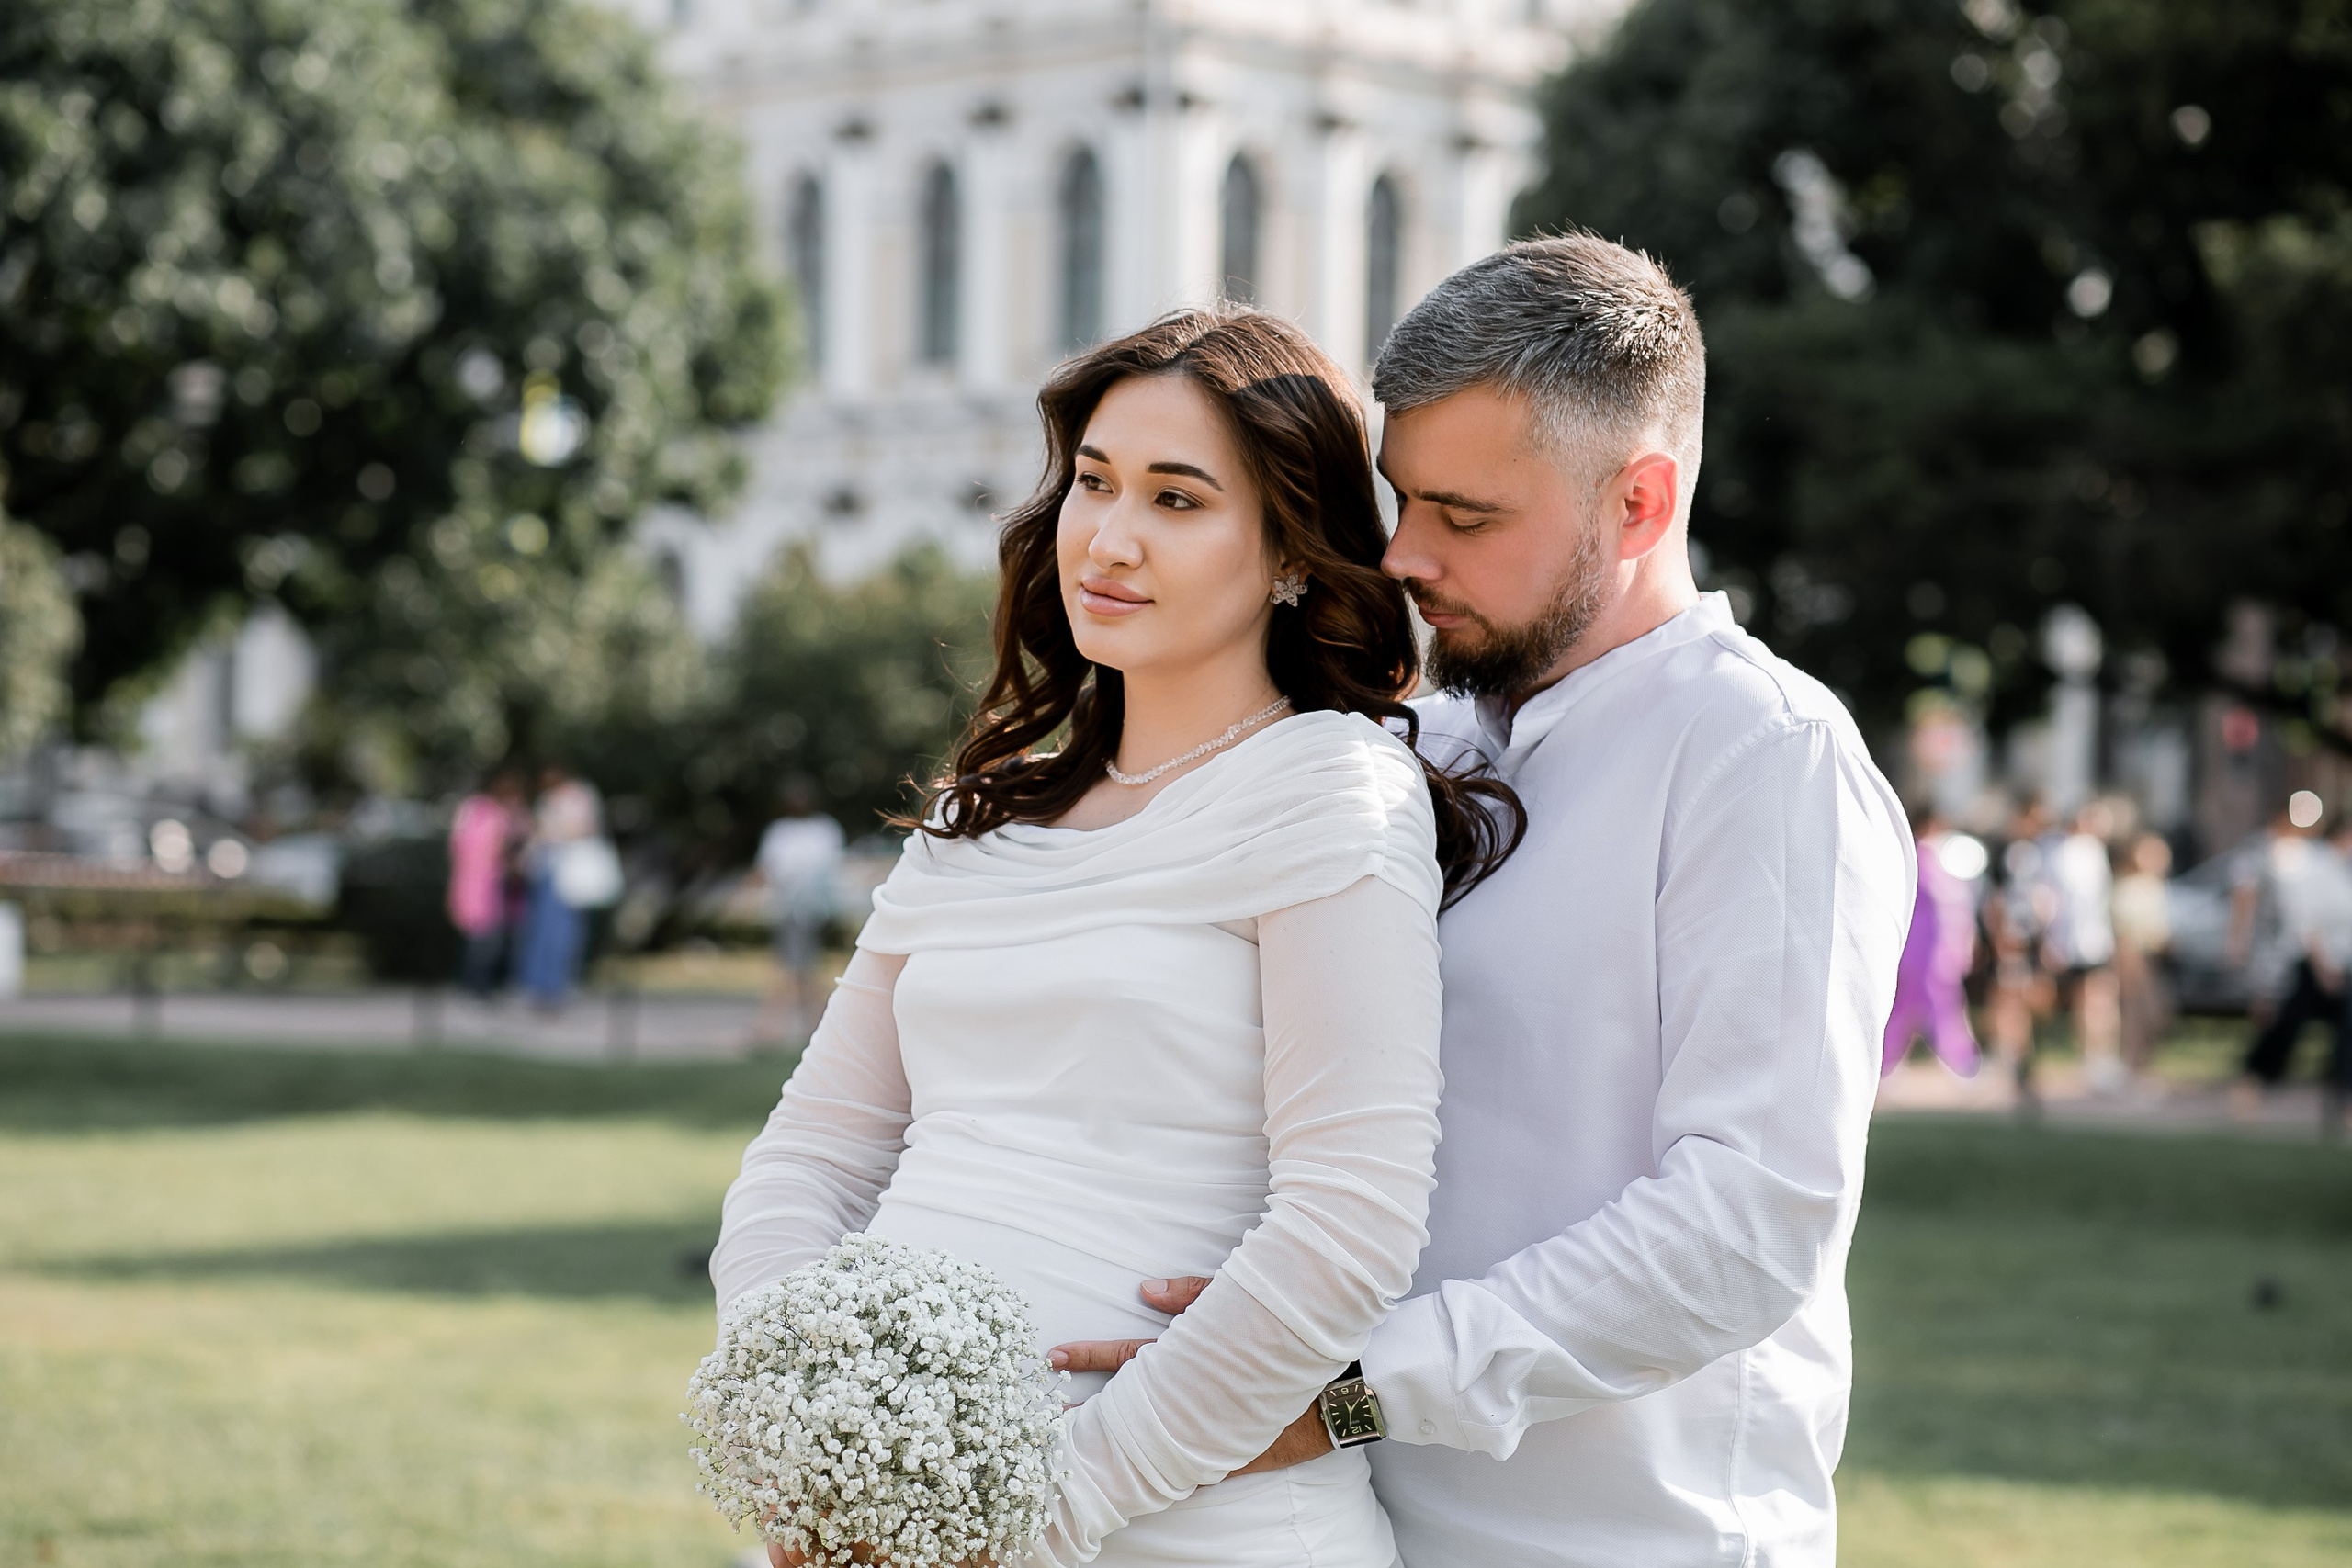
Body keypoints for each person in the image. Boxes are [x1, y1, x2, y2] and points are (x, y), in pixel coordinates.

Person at [1055, 236, 1915, 1565]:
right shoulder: (1426, 746)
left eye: (1465, 517)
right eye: (1405, 501)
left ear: (1637, 504)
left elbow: (1748, 1221)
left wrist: (1350, 1390)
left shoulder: (1765, 754)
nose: (1404, 555)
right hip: (1350, 1525)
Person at [711, 307, 1521, 1567]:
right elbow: (811, 1150)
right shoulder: (983, 814)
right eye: (1093, 482)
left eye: (1178, 500)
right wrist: (804, 1423)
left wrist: (1041, 1513)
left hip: (1181, 1523)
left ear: (1294, 553)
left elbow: (1347, 1223)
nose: (1111, 536)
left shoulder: (1332, 787)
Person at [2235, 805, 2350, 1103]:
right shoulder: (2313, 864)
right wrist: (2322, 964)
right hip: (2317, 964)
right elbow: (2305, 920)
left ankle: (2342, 1097)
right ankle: (2254, 1080)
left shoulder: (2340, 870)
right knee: (2286, 1026)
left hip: (2343, 965)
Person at [1882, 807, 1982, 1078]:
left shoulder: (1938, 860)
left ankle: (1884, 1065)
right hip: (1925, 950)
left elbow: (1958, 909)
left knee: (1912, 1009)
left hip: (1935, 950)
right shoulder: (1919, 858)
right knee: (1936, 1007)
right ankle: (1962, 1062)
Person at [750, 779, 846, 1044]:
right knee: (800, 969)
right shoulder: (780, 831)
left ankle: (771, 1028)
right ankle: (816, 1026)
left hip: (811, 911)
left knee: (796, 969)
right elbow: (768, 870)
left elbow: (829, 871)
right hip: (787, 911)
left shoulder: (824, 829)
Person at [2041, 803, 2123, 1094]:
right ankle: (2094, 1060)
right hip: (2078, 942)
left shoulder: (2089, 851)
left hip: (2090, 940)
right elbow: (2057, 902)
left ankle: (2100, 1058)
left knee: (2099, 1002)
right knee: (2091, 1003)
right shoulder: (2067, 853)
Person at [516, 763, 602, 1011]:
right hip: (547, 870)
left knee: (565, 933)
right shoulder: (548, 799)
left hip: (570, 873)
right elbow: (539, 833)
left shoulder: (580, 795)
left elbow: (585, 828)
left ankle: (558, 987)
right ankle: (538, 986)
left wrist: (557, 831)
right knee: (541, 931)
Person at [447, 768, 528, 998]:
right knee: (482, 937)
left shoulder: (511, 812)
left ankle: (492, 983)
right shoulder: (478, 810)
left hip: (503, 883)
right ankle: (475, 985)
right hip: (480, 882)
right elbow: (465, 846)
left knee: (500, 937)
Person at [2109, 830, 2175, 1078]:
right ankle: (2132, 1066)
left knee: (2157, 1013)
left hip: (2153, 959)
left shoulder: (2156, 887)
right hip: (2134, 958)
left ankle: (2140, 1065)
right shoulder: (2128, 886)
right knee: (2139, 1014)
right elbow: (2125, 929)